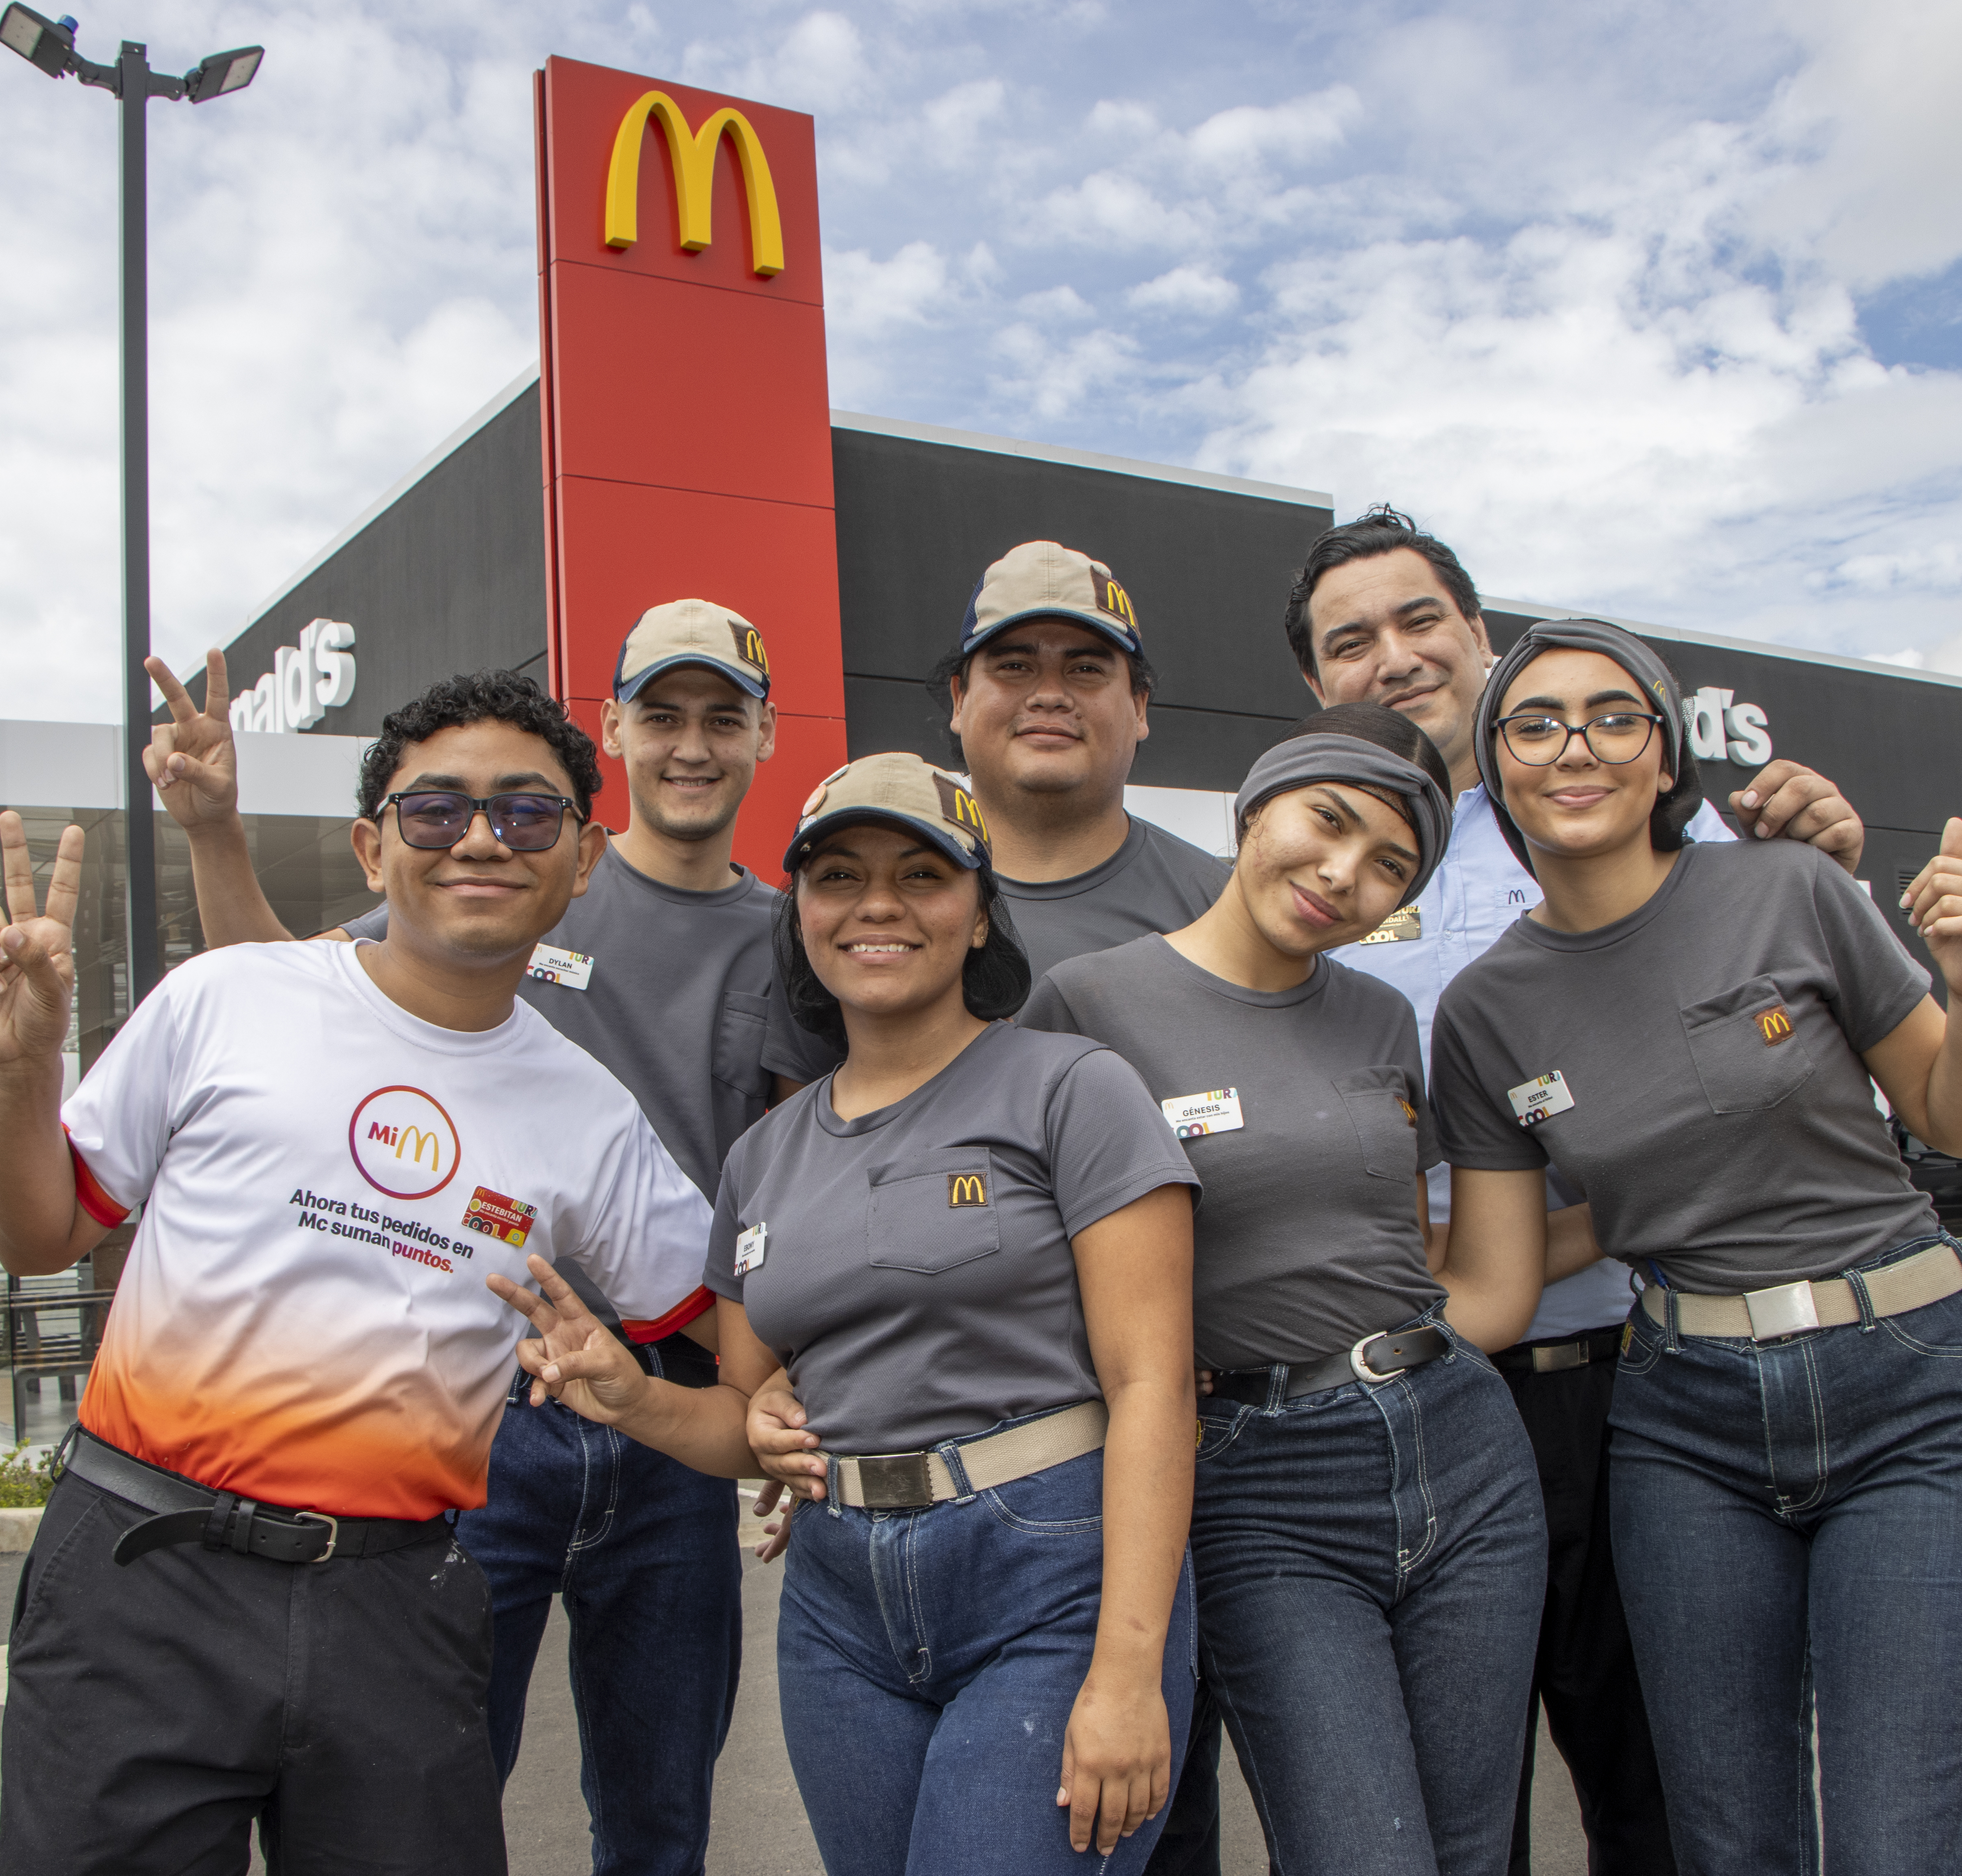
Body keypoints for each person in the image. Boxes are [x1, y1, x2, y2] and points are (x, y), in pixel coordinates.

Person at [0, 671, 715, 1874]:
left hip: (398, 1607)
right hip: (139, 1579)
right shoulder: (224, 999)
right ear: (374, 849)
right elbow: (40, 1233)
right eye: (437, 811)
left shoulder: (590, 1113)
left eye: (529, 814)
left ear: (582, 861)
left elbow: (730, 1326)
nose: (481, 837)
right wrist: (21, 1069)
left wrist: (690, 1403)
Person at [149, 602, 834, 1876]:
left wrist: (782, 1392)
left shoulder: (798, 935)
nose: (691, 745)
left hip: (674, 1415)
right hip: (483, 1406)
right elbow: (290, 1008)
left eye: (722, 717)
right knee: (430, 1790)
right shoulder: (514, 862)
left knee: (660, 1810)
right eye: (663, 714)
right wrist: (213, 834)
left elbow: (799, 1193)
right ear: (615, 727)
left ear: (761, 736)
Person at [1277, 507, 1869, 1876]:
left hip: (1628, 1384)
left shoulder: (1614, 814)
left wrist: (1819, 853)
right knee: (1449, 1817)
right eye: (1349, 642)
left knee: (1665, 1794)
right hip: (1419, 1391)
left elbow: (1767, 1028)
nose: (1396, 658)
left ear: (1480, 638)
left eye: (1422, 620)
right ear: (1318, 689)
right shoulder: (1313, 875)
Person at [489, 752, 1202, 1875]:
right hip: (838, 1609)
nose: (878, 905)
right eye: (838, 876)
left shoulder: (1075, 1090)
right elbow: (749, 1422)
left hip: (1047, 1577)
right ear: (803, 916)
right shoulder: (761, 1158)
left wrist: (1128, 1673)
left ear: (978, 916)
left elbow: (1156, 1388)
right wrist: (633, 1401)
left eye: (922, 875)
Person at [1427, 618, 1962, 1876]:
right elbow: (1495, 1278)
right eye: (1533, 723)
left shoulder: (1788, 887)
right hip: (1682, 1423)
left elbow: (1959, 1118)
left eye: (1611, 717)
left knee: (1893, 1844)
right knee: (1725, 1845)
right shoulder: (1486, 1013)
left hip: (1908, 1388)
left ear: (1662, 757)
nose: (1572, 746)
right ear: (1497, 767)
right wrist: (1284, 1325)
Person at [1013, 701, 1578, 1874]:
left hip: (1462, 1447)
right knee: (1359, 1853)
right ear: (1257, 806)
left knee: (1477, 1853)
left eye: (1390, 866)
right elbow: (1025, 1265)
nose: (1343, 876)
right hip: (1258, 1481)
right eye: (1327, 822)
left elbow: (1415, 1258)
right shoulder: (1088, 1005)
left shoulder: (1381, 1017)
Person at [936, 540, 1233, 974]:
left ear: (1139, 707)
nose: (1050, 695)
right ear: (960, 700)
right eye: (1015, 666)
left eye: (1086, 669)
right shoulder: (864, 906)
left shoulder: (1225, 910)